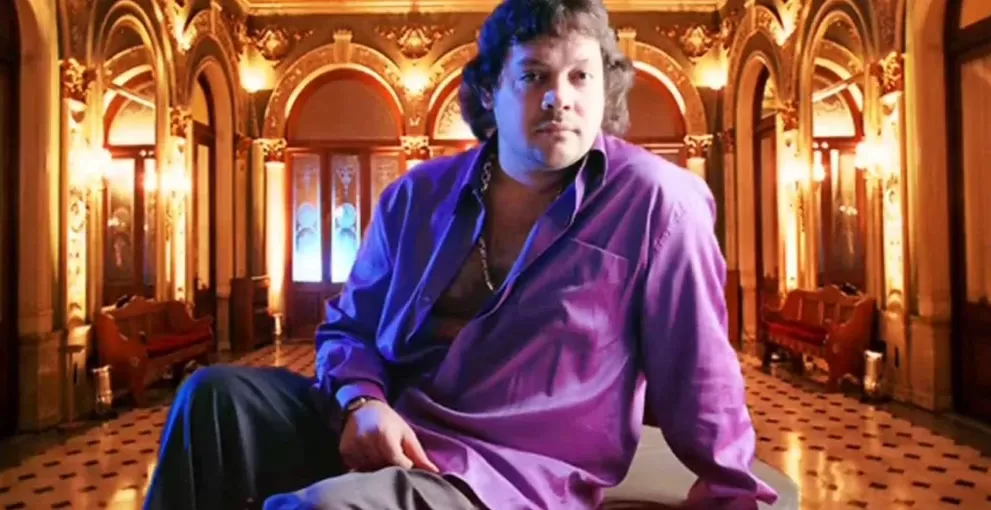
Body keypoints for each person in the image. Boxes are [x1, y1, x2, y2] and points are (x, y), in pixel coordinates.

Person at [143, 0, 780, 508]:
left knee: (328, 507)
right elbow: (349, 327)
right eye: (533, 75)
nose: (560, 96)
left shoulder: (658, 202)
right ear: (489, 91)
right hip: (389, 420)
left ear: (605, 88)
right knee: (211, 398)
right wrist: (363, 402)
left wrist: (732, 491)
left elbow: (701, 374)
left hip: (506, 467)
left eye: (581, 75)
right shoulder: (415, 195)